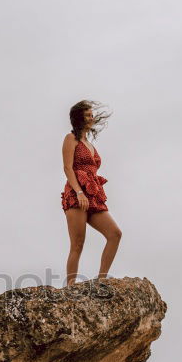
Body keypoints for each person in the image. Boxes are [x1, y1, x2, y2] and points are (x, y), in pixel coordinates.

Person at [61, 100, 122, 288]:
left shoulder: (89, 143)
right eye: (87, 115)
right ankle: (70, 288)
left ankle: (101, 279)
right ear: (78, 118)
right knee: (77, 244)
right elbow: (68, 168)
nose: (91, 118)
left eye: (91, 115)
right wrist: (79, 192)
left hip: (93, 193)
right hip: (76, 192)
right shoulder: (71, 139)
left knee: (115, 234)